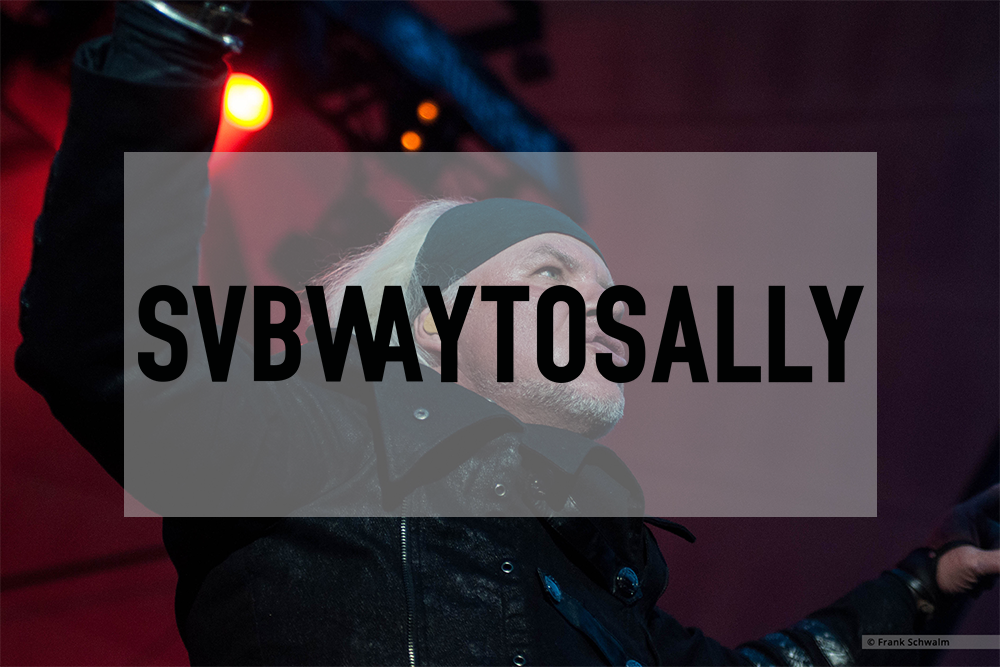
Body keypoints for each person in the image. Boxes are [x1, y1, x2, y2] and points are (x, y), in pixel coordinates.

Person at [15, 2, 1000, 666]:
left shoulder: (605, 575)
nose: (602, 312)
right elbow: (104, 342)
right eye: (550, 276)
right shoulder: (312, 441)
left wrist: (928, 581)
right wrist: (177, 33)